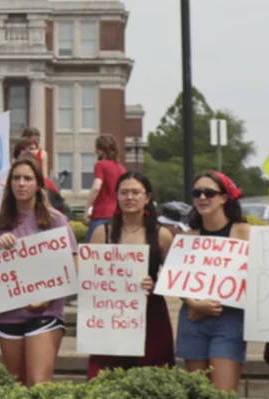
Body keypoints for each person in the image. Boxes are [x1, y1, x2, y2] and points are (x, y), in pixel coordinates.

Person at [0, 155, 78, 386]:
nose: (21, 183)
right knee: (17, 385)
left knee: (39, 383)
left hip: (45, 314)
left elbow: (74, 263)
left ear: (38, 184)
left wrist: (48, 296)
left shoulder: (55, 220)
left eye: (28, 178)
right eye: (16, 178)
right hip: (8, 314)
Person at [86, 172, 175, 379]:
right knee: (104, 378)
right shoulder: (103, 232)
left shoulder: (161, 234)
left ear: (147, 197)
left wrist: (154, 285)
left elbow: (175, 279)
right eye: (124, 192)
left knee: (151, 379)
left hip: (150, 315)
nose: (130, 197)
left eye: (136, 192)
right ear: (116, 196)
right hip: (110, 315)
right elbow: (88, 276)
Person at [175, 171, 250, 393]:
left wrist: (211, 306)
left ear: (224, 198)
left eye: (209, 192)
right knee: (197, 393)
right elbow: (176, 280)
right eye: (197, 193)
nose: (202, 198)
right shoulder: (188, 237)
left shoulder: (244, 232)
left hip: (230, 320)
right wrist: (194, 304)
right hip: (193, 318)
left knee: (223, 394)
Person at [84, 134, 126, 243]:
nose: (95, 151)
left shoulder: (100, 165)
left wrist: (87, 209)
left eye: (97, 148)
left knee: (91, 253)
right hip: (117, 215)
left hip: (101, 214)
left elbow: (96, 188)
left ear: (102, 149)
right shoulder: (122, 168)